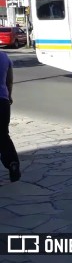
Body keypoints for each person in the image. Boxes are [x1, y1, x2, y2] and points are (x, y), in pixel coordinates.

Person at [0, 51, 19, 182]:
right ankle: (12, 163)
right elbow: (9, 81)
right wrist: (9, 95)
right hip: (2, 101)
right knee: (3, 134)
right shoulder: (4, 57)